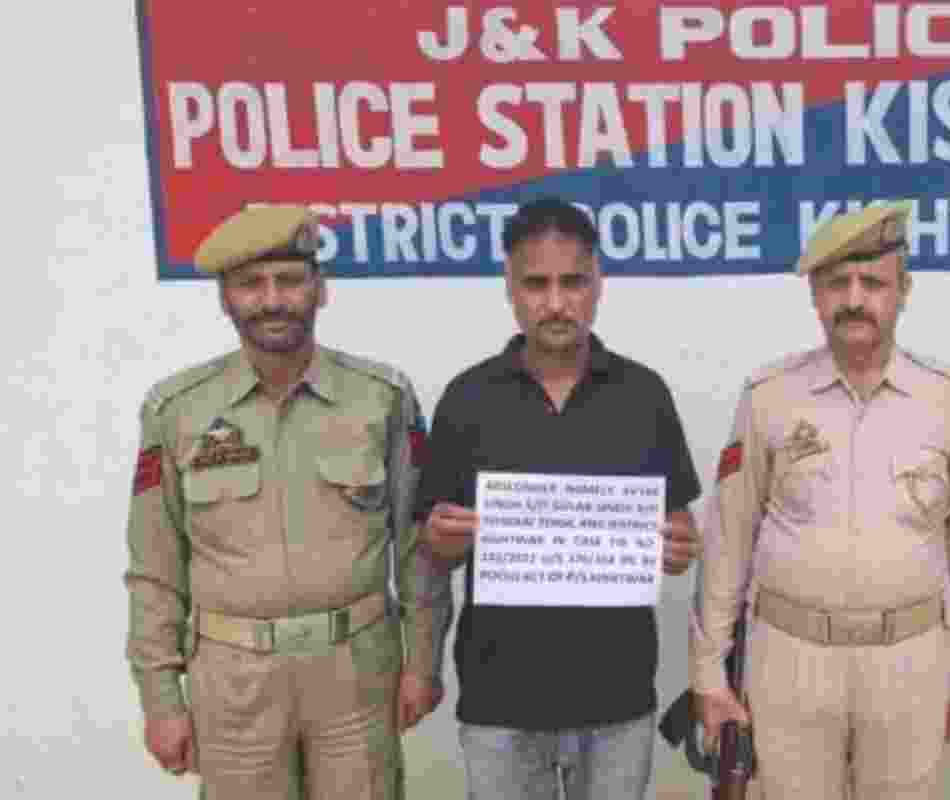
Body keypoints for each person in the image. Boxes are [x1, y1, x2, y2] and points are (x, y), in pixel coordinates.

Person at [124, 205, 451, 799]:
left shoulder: (382, 398)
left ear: (320, 290)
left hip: (355, 673)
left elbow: (419, 548)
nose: (273, 299)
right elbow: (154, 572)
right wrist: (161, 698)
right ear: (225, 298)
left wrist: (422, 664)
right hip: (233, 685)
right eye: (251, 283)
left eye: (291, 279)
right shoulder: (176, 412)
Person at [690, 201, 950, 799]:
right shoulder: (768, 398)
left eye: (874, 282)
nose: (855, 299)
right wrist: (710, 674)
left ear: (904, 291)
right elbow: (726, 544)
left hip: (910, 662)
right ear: (816, 295)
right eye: (838, 283)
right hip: (790, 660)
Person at [416, 196, 704, 800]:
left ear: (598, 283)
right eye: (536, 284)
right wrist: (440, 539)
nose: (554, 302)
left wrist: (679, 545)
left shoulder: (643, 395)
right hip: (499, 697)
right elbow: (432, 542)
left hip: (617, 696)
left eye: (572, 282)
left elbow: (677, 529)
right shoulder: (467, 400)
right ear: (510, 287)